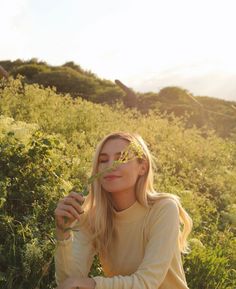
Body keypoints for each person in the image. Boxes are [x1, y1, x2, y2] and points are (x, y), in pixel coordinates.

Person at [54, 131, 193, 289]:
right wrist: (63, 233)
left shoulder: (163, 208)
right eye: (103, 160)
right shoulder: (94, 216)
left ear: (142, 167)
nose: (110, 166)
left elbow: (147, 283)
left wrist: (92, 284)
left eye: (121, 158)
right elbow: (69, 282)